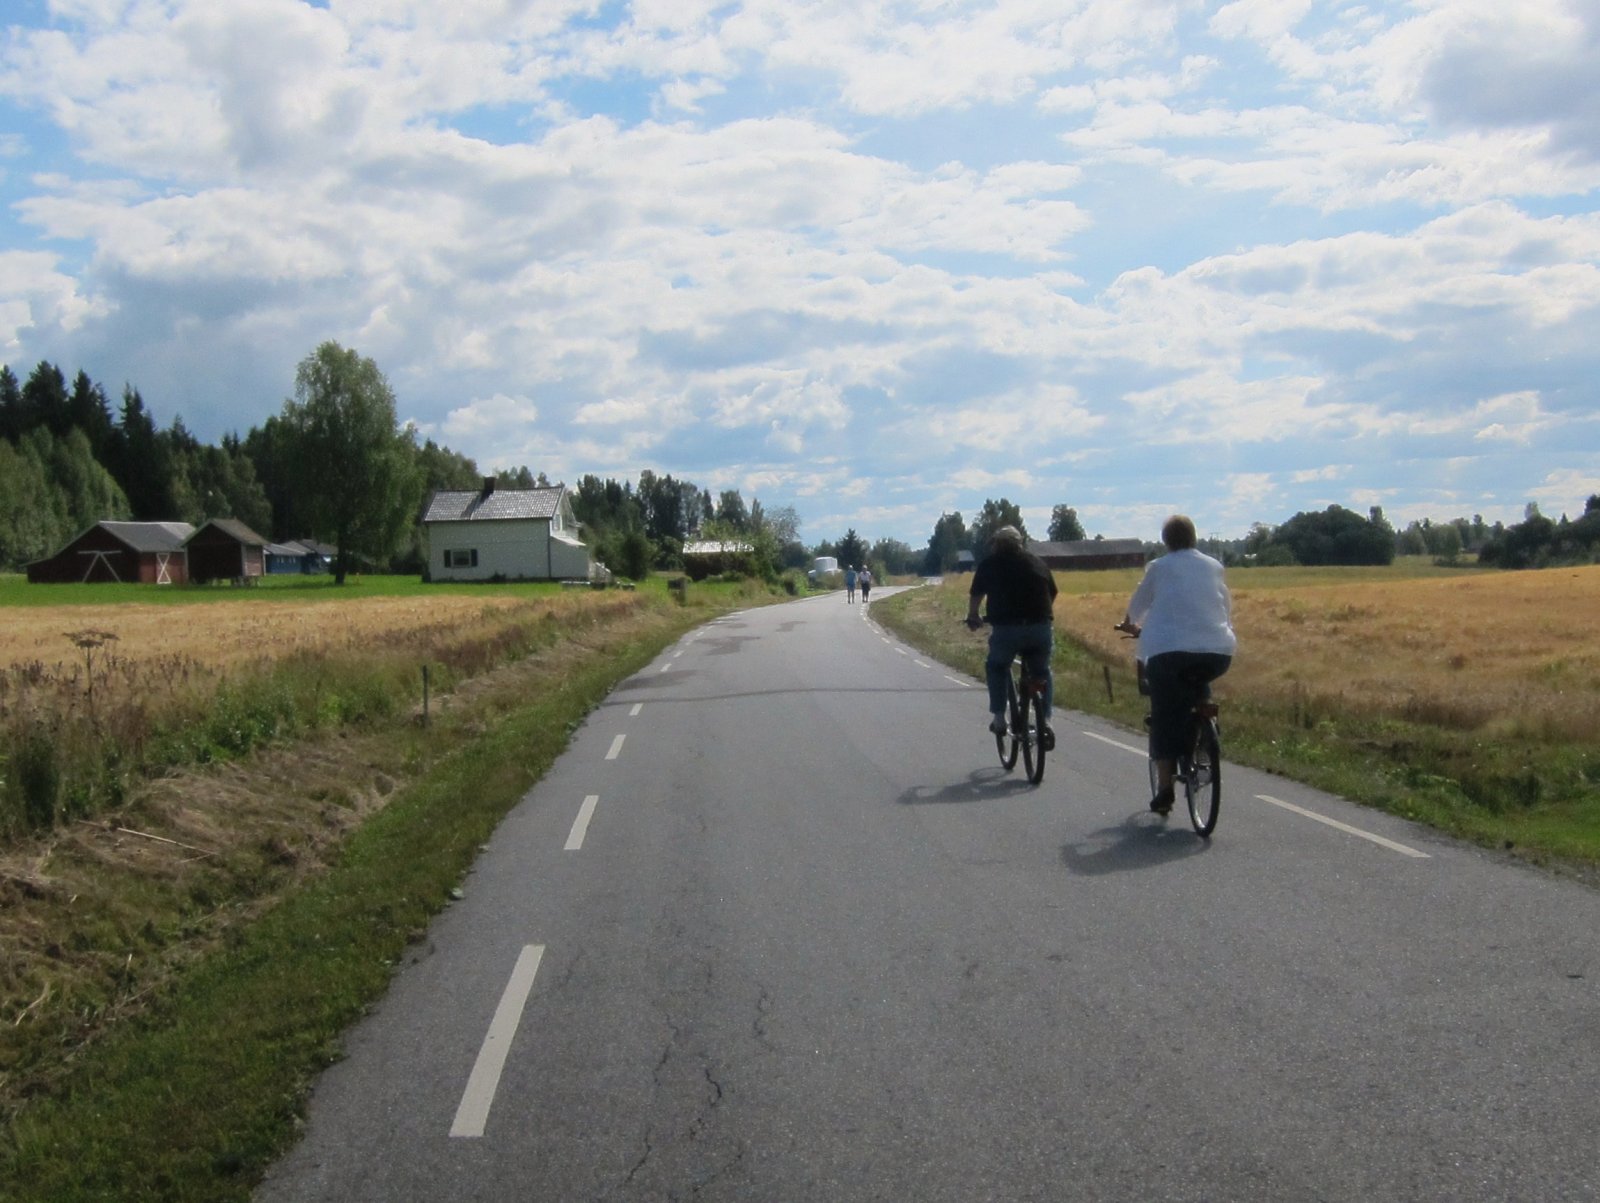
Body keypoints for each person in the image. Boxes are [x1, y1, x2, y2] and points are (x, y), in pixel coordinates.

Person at [1117, 514, 1236, 815]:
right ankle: (1204, 749)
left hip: (1168, 653)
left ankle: (1165, 788)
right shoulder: (1213, 566)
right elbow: (1225, 606)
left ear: (1166, 541)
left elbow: (1138, 605)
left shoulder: (1160, 567)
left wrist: (1130, 623)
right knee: (1198, 684)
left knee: (1164, 714)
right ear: (1194, 538)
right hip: (1218, 651)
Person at [965, 526, 1058, 746]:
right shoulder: (1037, 562)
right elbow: (1052, 592)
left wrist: (973, 615)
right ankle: (1046, 720)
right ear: (1020, 543)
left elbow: (976, 593)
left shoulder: (990, 564)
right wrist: (1040, 614)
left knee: (997, 666)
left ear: (997, 544)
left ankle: (999, 718)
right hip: (1040, 628)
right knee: (1042, 671)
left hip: (1007, 629)